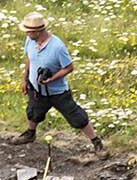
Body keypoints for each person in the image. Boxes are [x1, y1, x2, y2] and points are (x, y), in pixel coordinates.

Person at [16, 13, 106, 155]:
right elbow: (29, 59)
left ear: (38, 31)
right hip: (37, 90)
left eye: (29, 31)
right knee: (33, 112)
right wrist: (25, 79)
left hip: (58, 92)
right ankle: (30, 133)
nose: (26, 33)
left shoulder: (57, 47)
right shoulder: (30, 41)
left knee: (77, 117)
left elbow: (69, 67)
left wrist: (52, 79)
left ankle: (96, 142)